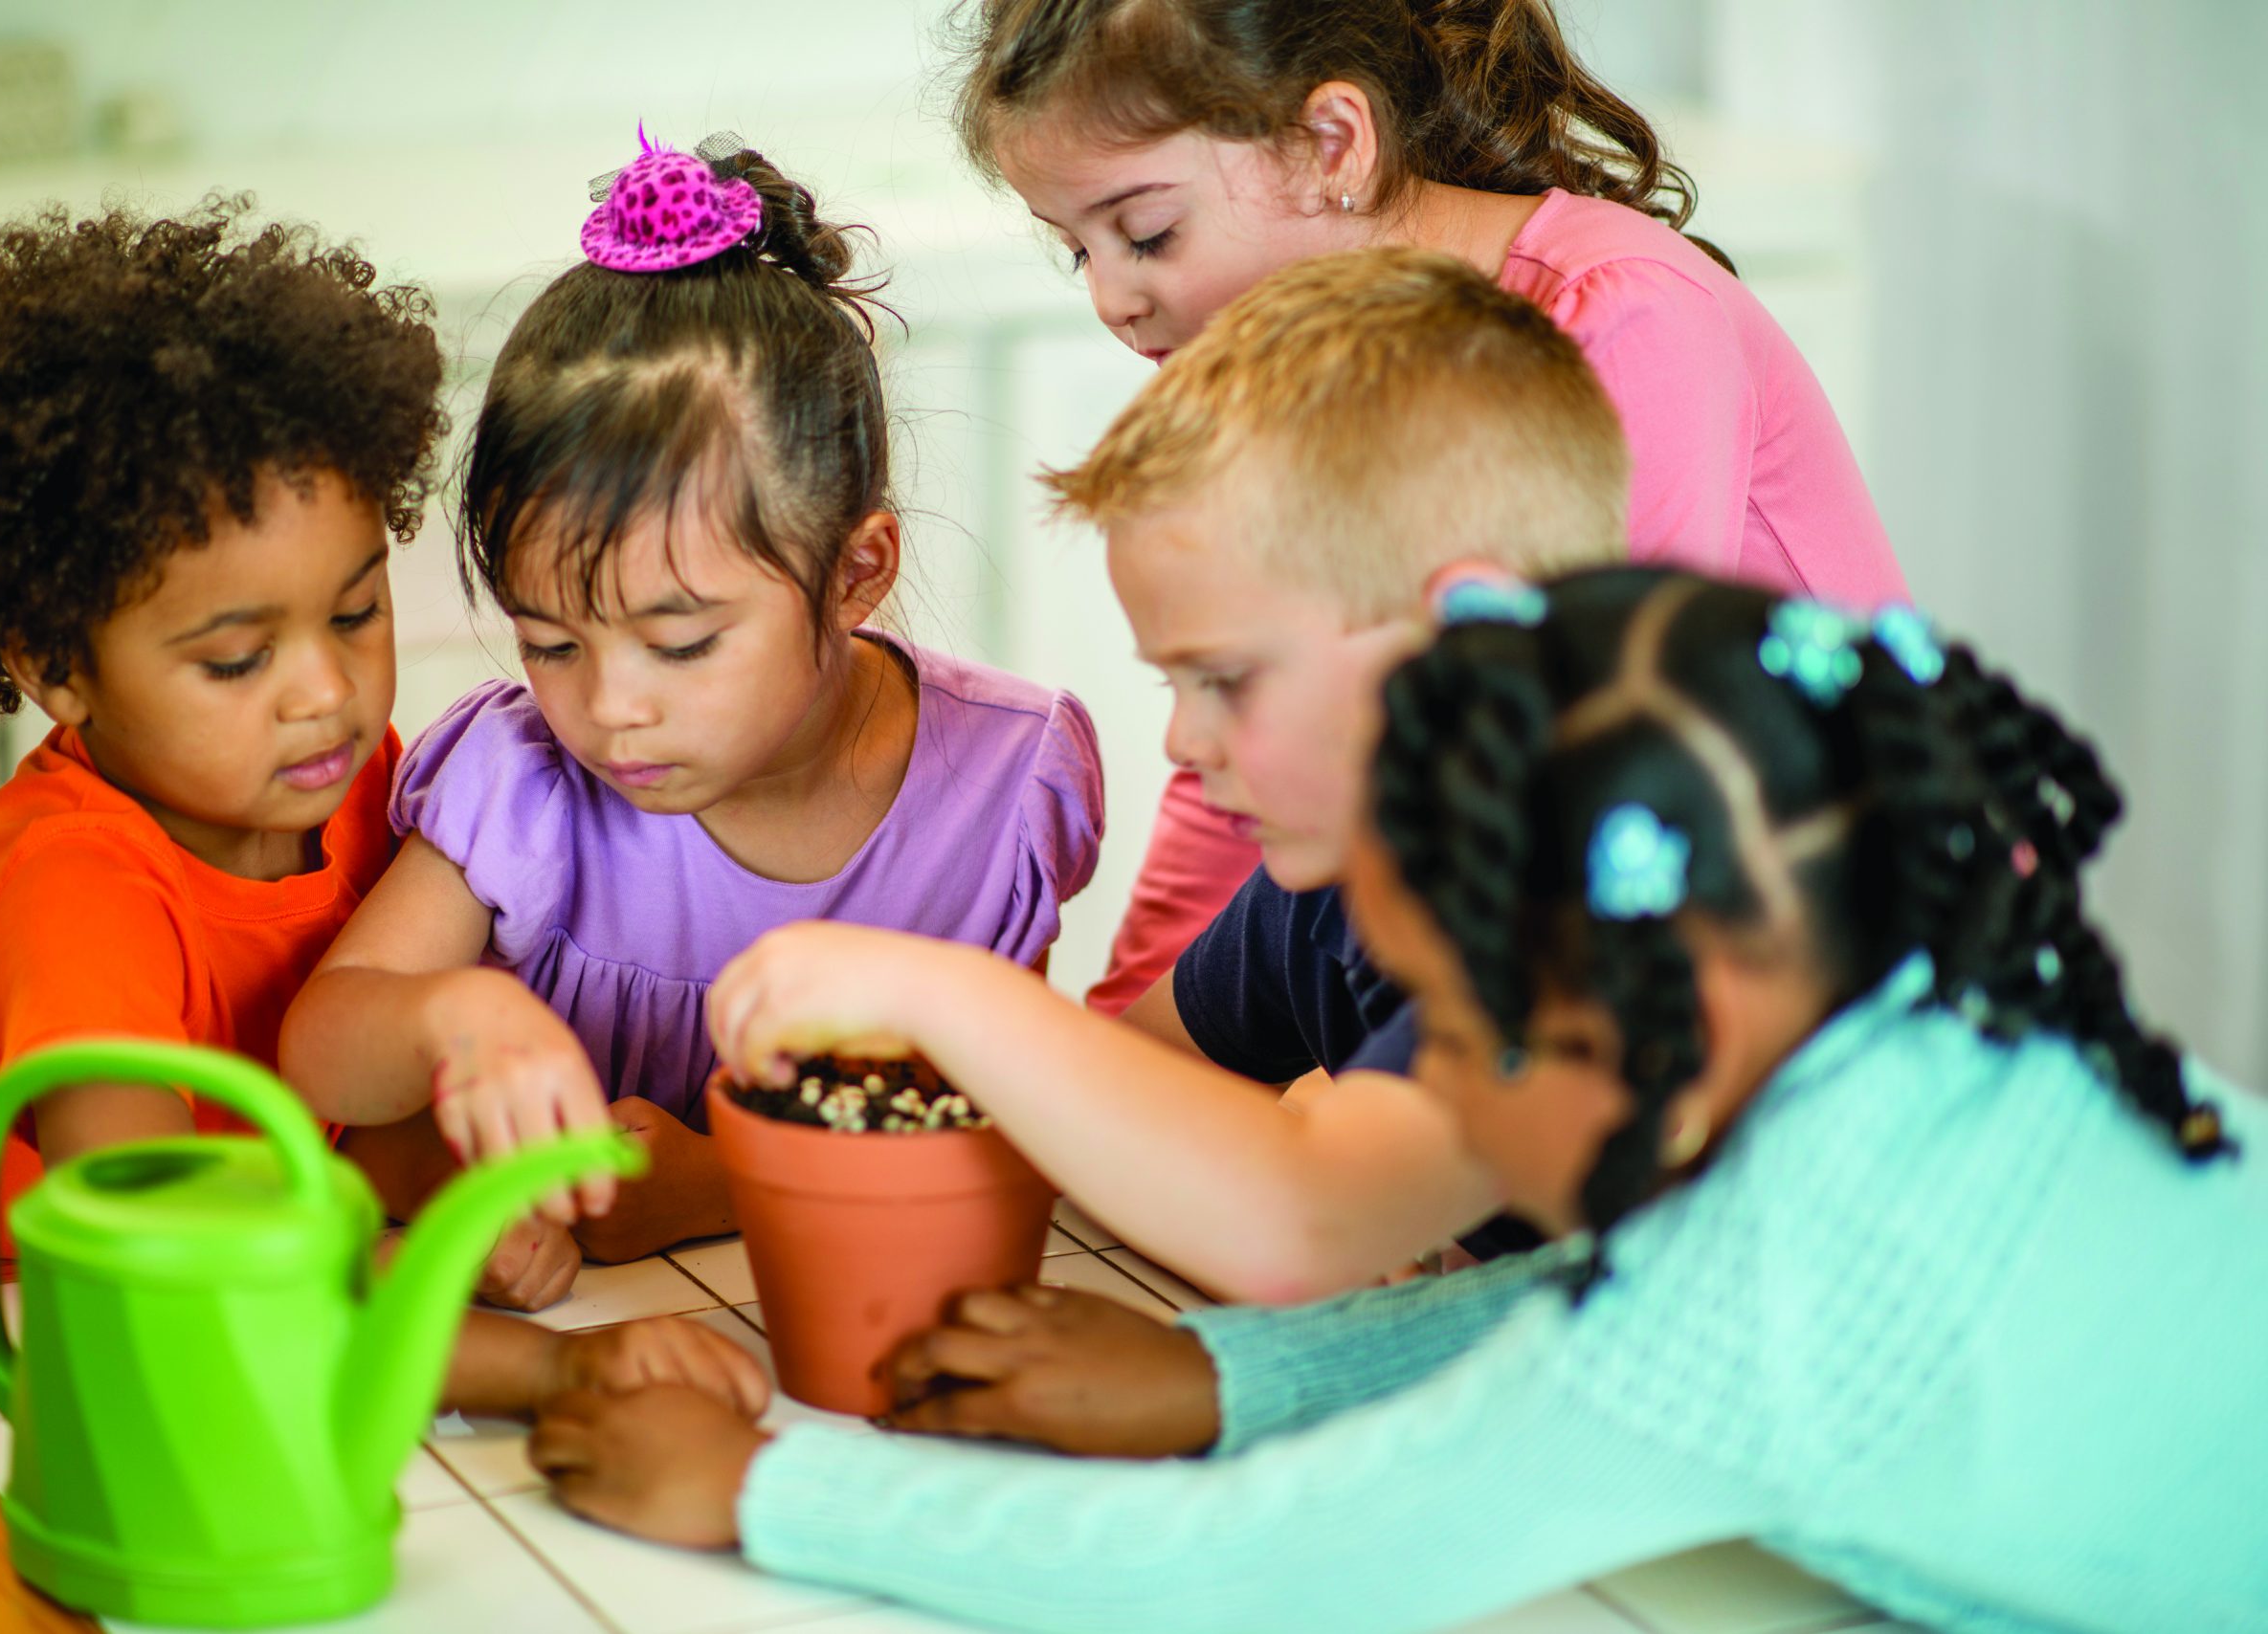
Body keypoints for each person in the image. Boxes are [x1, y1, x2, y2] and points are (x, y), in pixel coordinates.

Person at [531, 568, 2268, 1634]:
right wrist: (1231, 1369)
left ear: (1672, 1010)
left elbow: (1267, 1573)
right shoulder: (1925, 1026)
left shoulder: (1783, 1287)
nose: (1417, 1074)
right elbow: (1591, 1305)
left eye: (1442, 1020)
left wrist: (766, 1495)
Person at [0, 197, 760, 1415]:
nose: (324, 693)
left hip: (232, 1229)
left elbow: (325, 1098)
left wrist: (467, 1193)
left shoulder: (360, 787)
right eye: (233, 661)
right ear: (55, 666)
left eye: (356, 614)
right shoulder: (80, 881)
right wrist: (545, 1367)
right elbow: (162, 1236)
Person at [944, 0, 1911, 1009]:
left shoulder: (1631, 315)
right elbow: (1253, 729)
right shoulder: (1280, 365)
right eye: (1077, 250)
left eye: (1147, 233)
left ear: (1331, 144)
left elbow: (1593, 761)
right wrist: (1130, 1033)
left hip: (1836, 969)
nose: (1110, 298)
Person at [707, 246, 1626, 1300]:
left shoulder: (1596, 889)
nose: (1182, 742)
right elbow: (1143, 1086)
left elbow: (1303, 1218)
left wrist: (942, 991)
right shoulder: (1324, 894)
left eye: (1228, 680)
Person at [278, 136, 1104, 1269]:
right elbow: (322, 1051)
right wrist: (445, 1024)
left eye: (682, 642)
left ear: (854, 572)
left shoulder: (1004, 791)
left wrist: (716, 1185)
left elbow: (997, 1128)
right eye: (551, 642)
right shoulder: (523, 782)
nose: (612, 709)